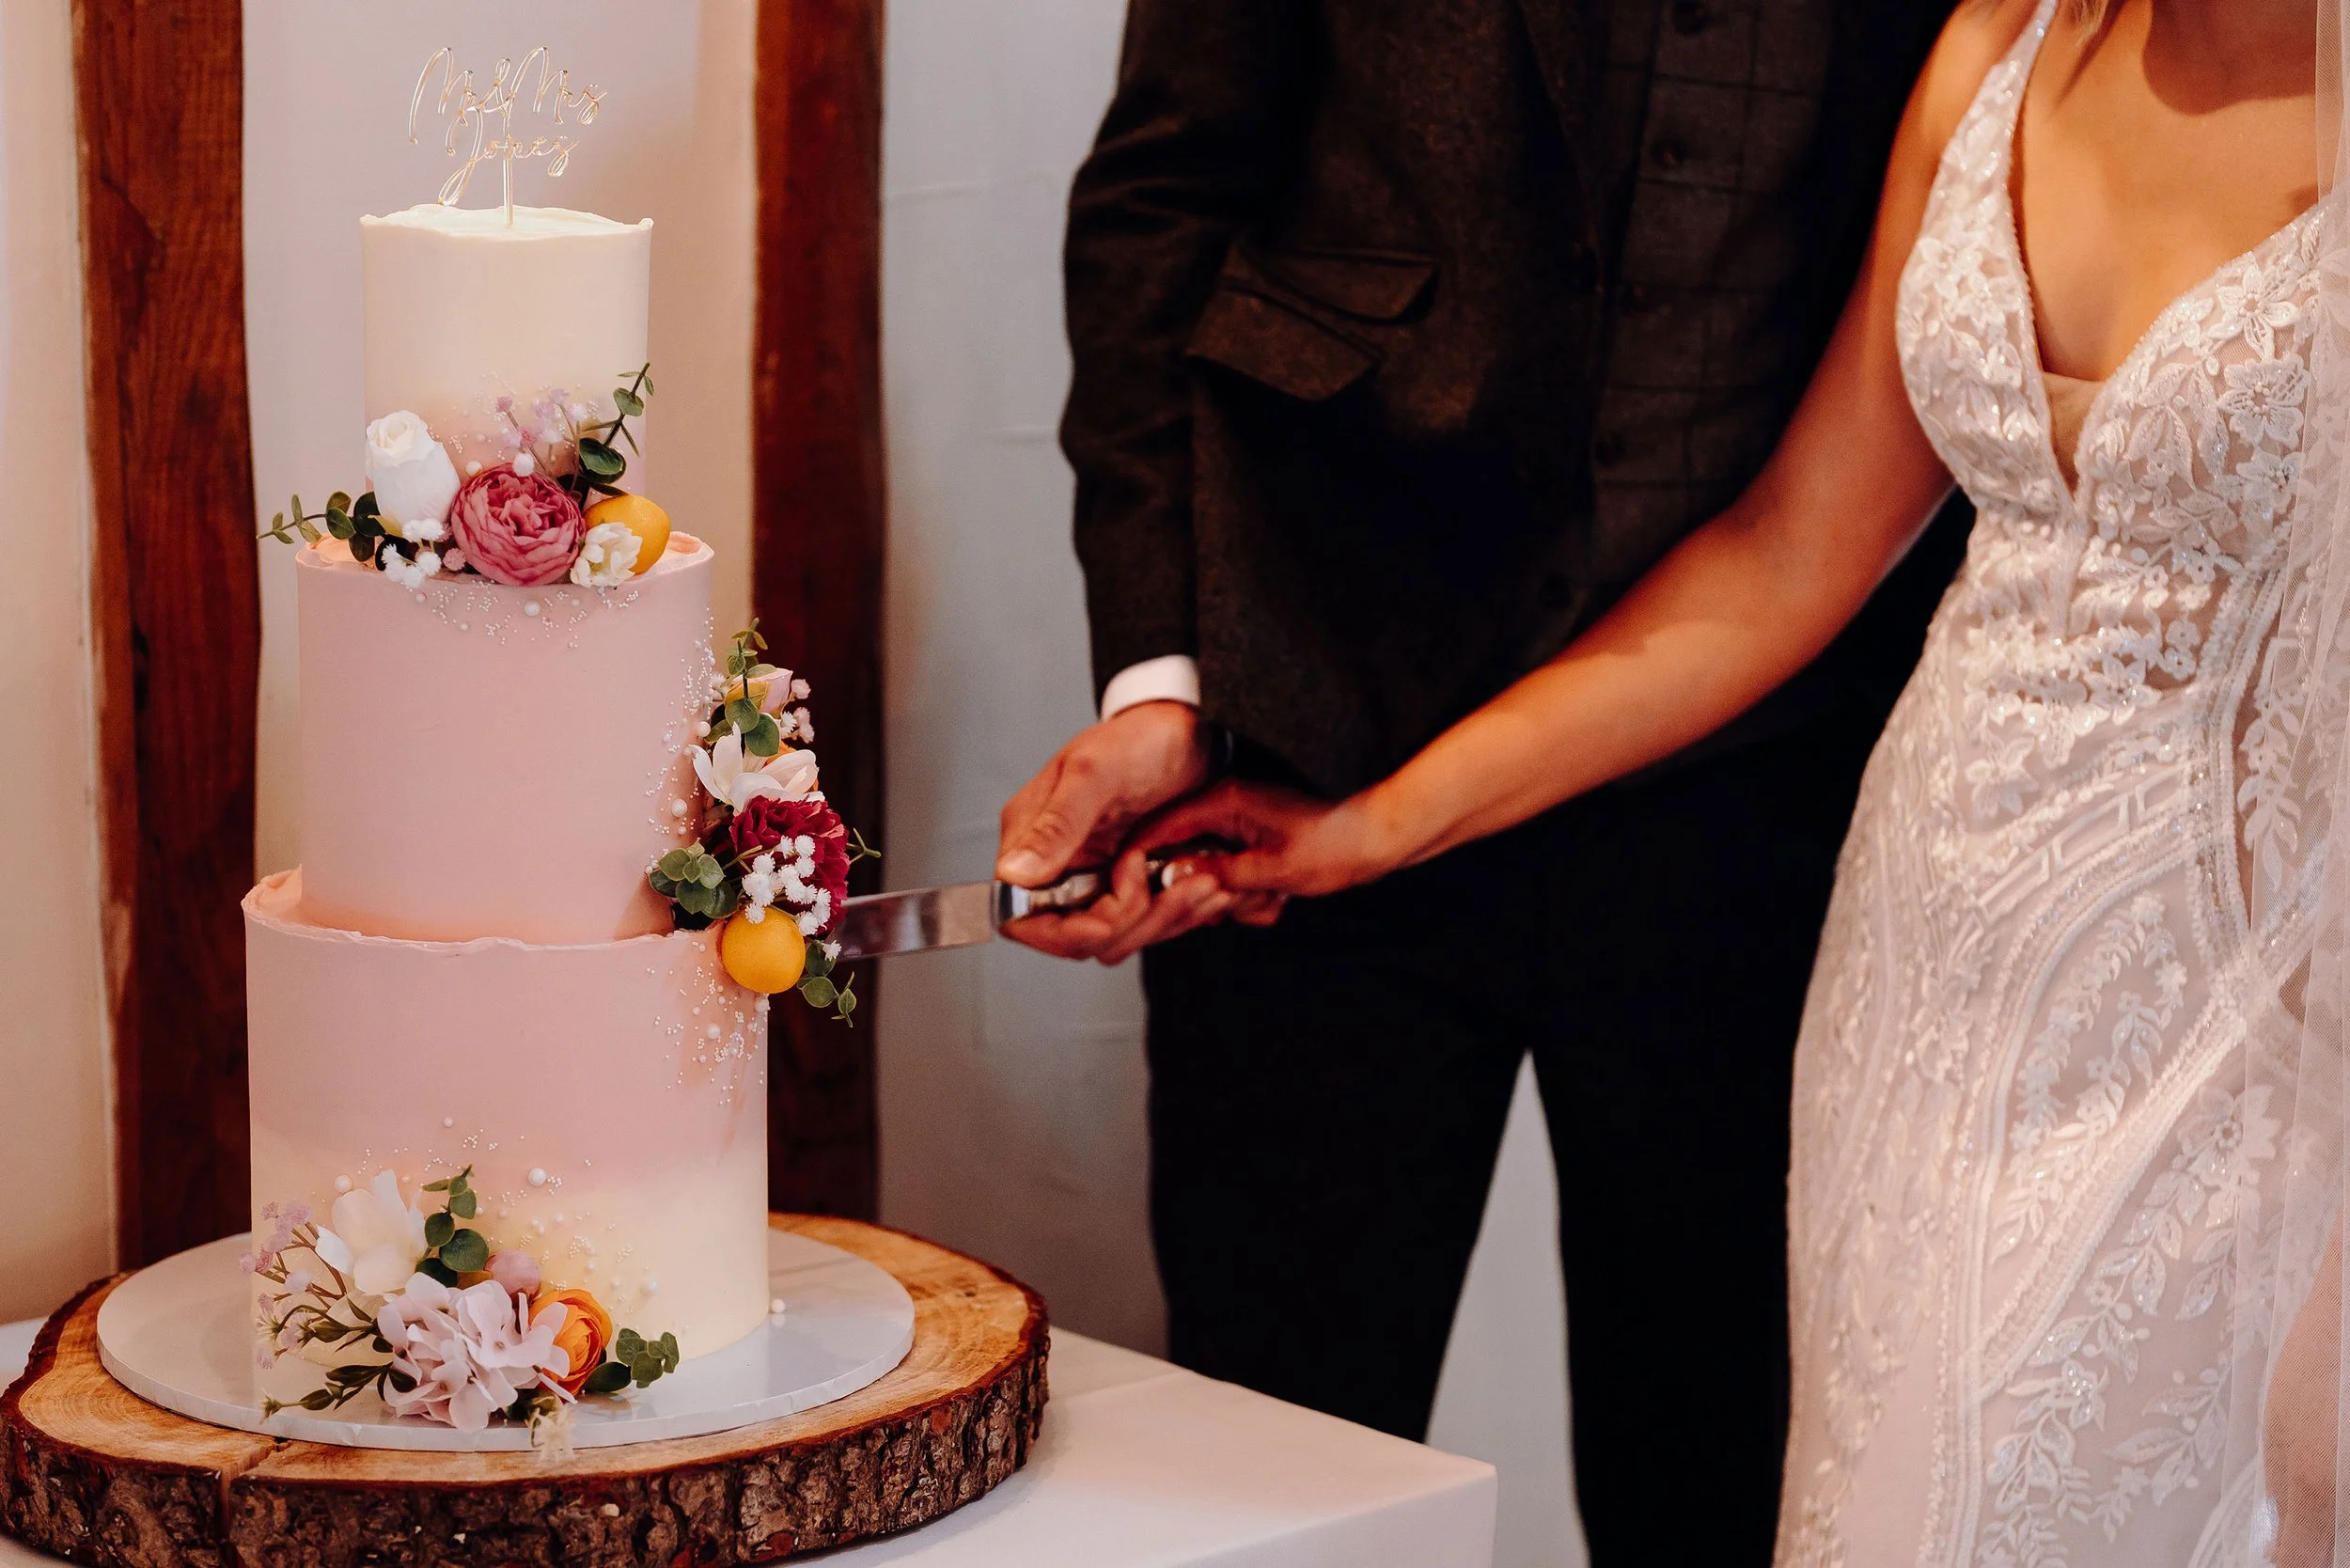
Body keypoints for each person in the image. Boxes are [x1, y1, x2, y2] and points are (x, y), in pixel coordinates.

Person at [1128, 0, 2350, 1561]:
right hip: (1924, 983)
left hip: (2238, 1013)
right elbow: (1784, 557)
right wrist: (1371, 828)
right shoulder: (1996, 47)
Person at [997, 2, 1966, 1560]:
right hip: (1308, 729)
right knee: (1285, 1465)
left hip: (1772, 794)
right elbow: (1159, 205)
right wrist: (1173, 676)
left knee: (1733, 1473)